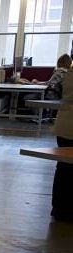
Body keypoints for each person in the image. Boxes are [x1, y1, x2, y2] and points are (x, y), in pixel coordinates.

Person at [51, 69, 73, 221]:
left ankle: (59, 208)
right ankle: (64, 209)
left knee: (64, 168)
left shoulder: (70, 73)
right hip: (70, 126)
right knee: (67, 168)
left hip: (64, 124)